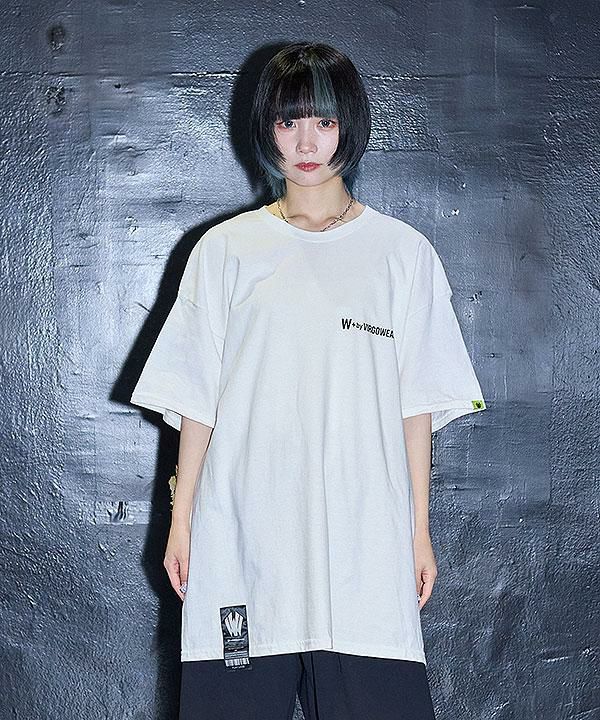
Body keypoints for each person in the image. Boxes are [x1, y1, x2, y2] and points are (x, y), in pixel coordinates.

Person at [130, 41, 487, 720]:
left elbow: (416, 406)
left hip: (363, 546)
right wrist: (182, 522)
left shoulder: (402, 255)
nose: (306, 143)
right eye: (289, 122)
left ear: (350, 126)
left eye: (324, 122)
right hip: (244, 541)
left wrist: (418, 531)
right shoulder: (226, 251)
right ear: (267, 130)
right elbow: (195, 400)